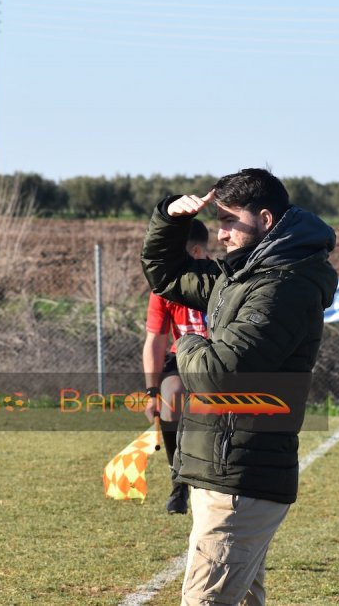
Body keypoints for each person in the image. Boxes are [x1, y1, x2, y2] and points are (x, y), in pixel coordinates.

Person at [140, 168, 338, 606]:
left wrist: (187, 342)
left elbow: (219, 375)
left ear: (265, 220)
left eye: (230, 221)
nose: (221, 233)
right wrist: (170, 218)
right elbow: (165, 275)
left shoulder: (283, 288)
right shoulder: (242, 276)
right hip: (227, 472)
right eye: (218, 221)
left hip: (241, 481)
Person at [142, 218, 211, 515]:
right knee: (170, 400)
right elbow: (155, 341)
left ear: (195, 253)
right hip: (182, 357)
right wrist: (151, 392)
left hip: (220, 358)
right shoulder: (164, 287)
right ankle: (178, 478)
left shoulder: (222, 280)